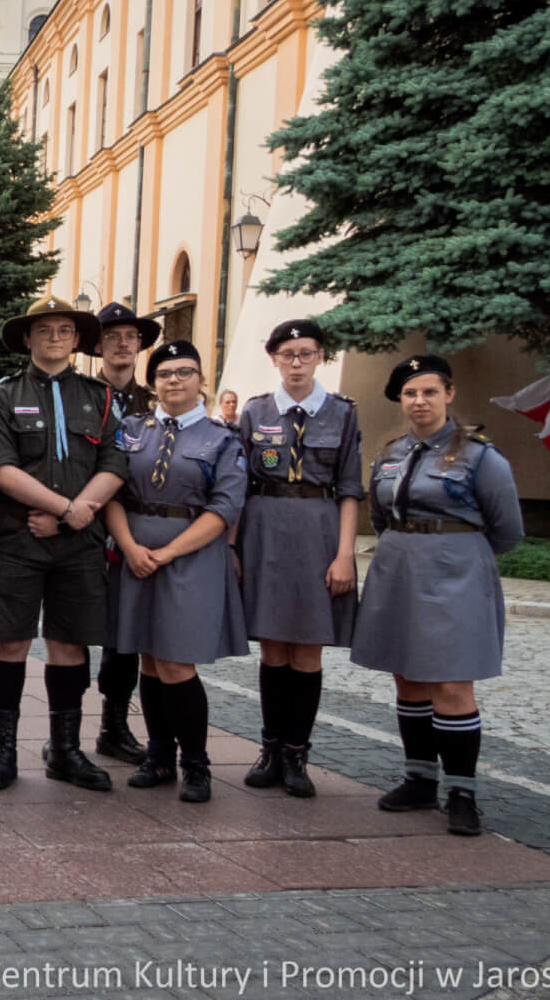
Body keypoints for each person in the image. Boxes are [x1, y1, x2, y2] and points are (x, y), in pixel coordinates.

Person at [353, 354, 522, 837]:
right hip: (399, 570)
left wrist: (457, 555)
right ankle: (419, 779)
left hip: (455, 575)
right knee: (407, 678)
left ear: (449, 395)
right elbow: (382, 517)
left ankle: (462, 793)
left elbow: (507, 529)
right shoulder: (389, 454)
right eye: (410, 393)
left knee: (451, 684)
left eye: (429, 391)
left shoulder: (480, 456)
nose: (419, 400)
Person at [0, 298, 125, 793]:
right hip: (20, 539)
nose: (56, 337)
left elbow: (113, 465)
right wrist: (67, 510)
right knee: (10, 641)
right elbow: (2, 470)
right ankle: (3, 751)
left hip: (79, 544)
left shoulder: (100, 398)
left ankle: (65, 750)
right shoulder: (3, 395)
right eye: (45, 330)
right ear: (28, 338)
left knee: (69, 643)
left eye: (65, 329)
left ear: (77, 339)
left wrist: (74, 515)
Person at [103, 340, 248, 803]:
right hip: (134, 555)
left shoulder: (222, 438)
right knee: (148, 655)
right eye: (164, 373)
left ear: (202, 379)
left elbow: (224, 507)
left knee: (176, 660)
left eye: (185, 372)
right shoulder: (131, 429)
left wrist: (166, 554)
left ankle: (197, 764)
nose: (174, 381)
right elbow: (113, 492)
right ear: (153, 383)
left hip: (190, 557)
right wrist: (129, 547)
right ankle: (159, 755)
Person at [236, 319, 363, 798]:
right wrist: (233, 546)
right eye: (287, 354)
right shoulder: (254, 412)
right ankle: (269, 749)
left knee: (307, 647)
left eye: (305, 353)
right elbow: (239, 482)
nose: (296, 362)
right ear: (273, 358)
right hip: (264, 531)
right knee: (272, 645)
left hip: (318, 530)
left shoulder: (342, 413)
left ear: (320, 357)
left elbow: (350, 489)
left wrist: (345, 554)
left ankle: (296, 755)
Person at [86, 301, 161, 766]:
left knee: (127, 634)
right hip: (83, 528)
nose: (121, 343)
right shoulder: (80, 395)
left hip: (135, 530)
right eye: (112, 336)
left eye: (130, 337)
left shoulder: (153, 403)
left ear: (140, 346)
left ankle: (114, 724)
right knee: (71, 633)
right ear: (97, 346)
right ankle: (63, 729)